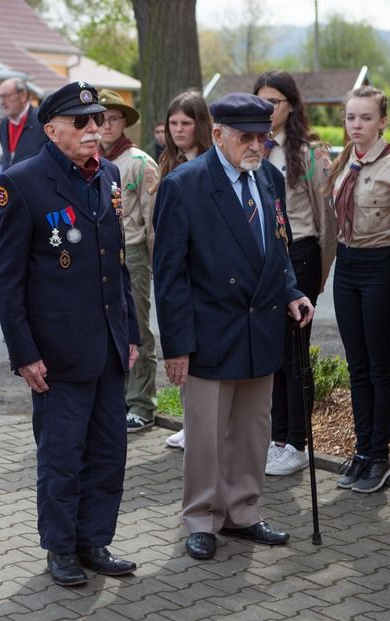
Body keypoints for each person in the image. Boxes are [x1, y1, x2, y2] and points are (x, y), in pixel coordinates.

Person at [0, 81, 140, 586]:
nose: (94, 130)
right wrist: (24, 353)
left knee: (107, 452)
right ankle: (60, 548)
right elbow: (8, 282)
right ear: (52, 129)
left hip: (107, 344)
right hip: (56, 353)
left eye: (98, 121)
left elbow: (116, 263)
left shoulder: (109, 175)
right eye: (82, 123)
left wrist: (132, 332)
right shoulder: (23, 182)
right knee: (62, 455)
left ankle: (94, 540)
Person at [153, 93, 313, 561]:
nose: (257, 145)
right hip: (209, 331)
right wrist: (177, 345)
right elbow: (170, 275)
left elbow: (277, 248)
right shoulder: (185, 185)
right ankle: (201, 518)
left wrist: (291, 291)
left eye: (262, 136)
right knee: (205, 433)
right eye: (245, 136)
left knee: (252, 429)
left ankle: (243, 511)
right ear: (218, 134)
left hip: (259, 325)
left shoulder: (269, 178)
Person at [327, 85, 390, 494]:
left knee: (380, 366)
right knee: (356, 365)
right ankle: (363, 451)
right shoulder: (345, 159)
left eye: (365, 118)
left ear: (383, 121)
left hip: (381, 266)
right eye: (350, 118)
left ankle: (380, 454)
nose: (356, 126)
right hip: (347, 266)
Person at [252, 71, 338, 477]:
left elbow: (326, 218)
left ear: (291, 105)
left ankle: (297, 442)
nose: (268, 110)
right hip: (263, 256)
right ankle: (276, 436)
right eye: (261, 101)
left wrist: (319, 272)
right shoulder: (253, 147)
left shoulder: (307, 150)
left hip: (299, 254)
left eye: (275, 102)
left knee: (293, 352)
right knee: (272, 353)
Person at [97, 89, 159, 433]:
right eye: (101, 118)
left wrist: (152, 261)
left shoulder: (138, 162)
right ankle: (118, 396)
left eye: (114, 118)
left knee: (138, 328)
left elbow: (151, 219)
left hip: (133, 251)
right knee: (110, 328)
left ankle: (142, 403)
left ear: (124, 123)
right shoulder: (91, 158)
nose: (106, 125)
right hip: (101, 251)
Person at [155, 90, 213, 450]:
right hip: (172, 261)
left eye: (186, 123)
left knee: (196, 348)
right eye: (173, 123)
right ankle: (190, 422)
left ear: (200, 125)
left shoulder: (209, 164)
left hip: (199, 269)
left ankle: (202, 425)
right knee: (177, 338)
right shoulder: (168, 161)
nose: (178, 130)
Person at [0, 78, 49, 172]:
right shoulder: (3, 125)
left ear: (23, 95)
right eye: (0, 97)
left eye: (6, 96)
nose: (2, 102)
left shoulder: (42, 120)